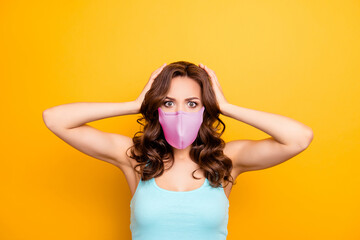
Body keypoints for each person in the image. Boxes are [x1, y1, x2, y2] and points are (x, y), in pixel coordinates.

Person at [42, 61, 313, 240]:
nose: (180, 112)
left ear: (206, 108)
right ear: (157, 107)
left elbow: (299, 138)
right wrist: (135, 103)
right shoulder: (136, 158)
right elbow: (55, 119)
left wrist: (227, 107)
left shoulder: (226, 160)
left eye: (192, 103)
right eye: (169, 103)